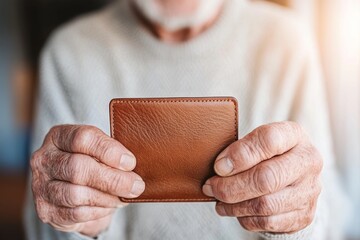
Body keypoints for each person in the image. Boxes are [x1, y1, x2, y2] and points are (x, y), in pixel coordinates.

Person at [24, 0, 347, 239]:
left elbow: (333, 215)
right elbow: (40, 224)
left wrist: (300, 219)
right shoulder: (68, 53)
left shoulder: (287, 42)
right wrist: (77, 225)